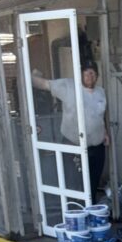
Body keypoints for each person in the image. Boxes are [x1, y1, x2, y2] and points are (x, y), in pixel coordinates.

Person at [32, 59, 108, 199]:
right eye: (86, 73)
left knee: (93, 182)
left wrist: (105, 133)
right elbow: (43, 84)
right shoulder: (68, 86)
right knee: (74, 184)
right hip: (73, 146)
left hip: (97, 147)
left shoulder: (100, 92)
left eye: (93, 73)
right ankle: (75, 212)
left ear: (97, 76)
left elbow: (100, 116)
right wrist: (30, 76)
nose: (89, 76)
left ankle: (90, 212)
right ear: (80, 74)